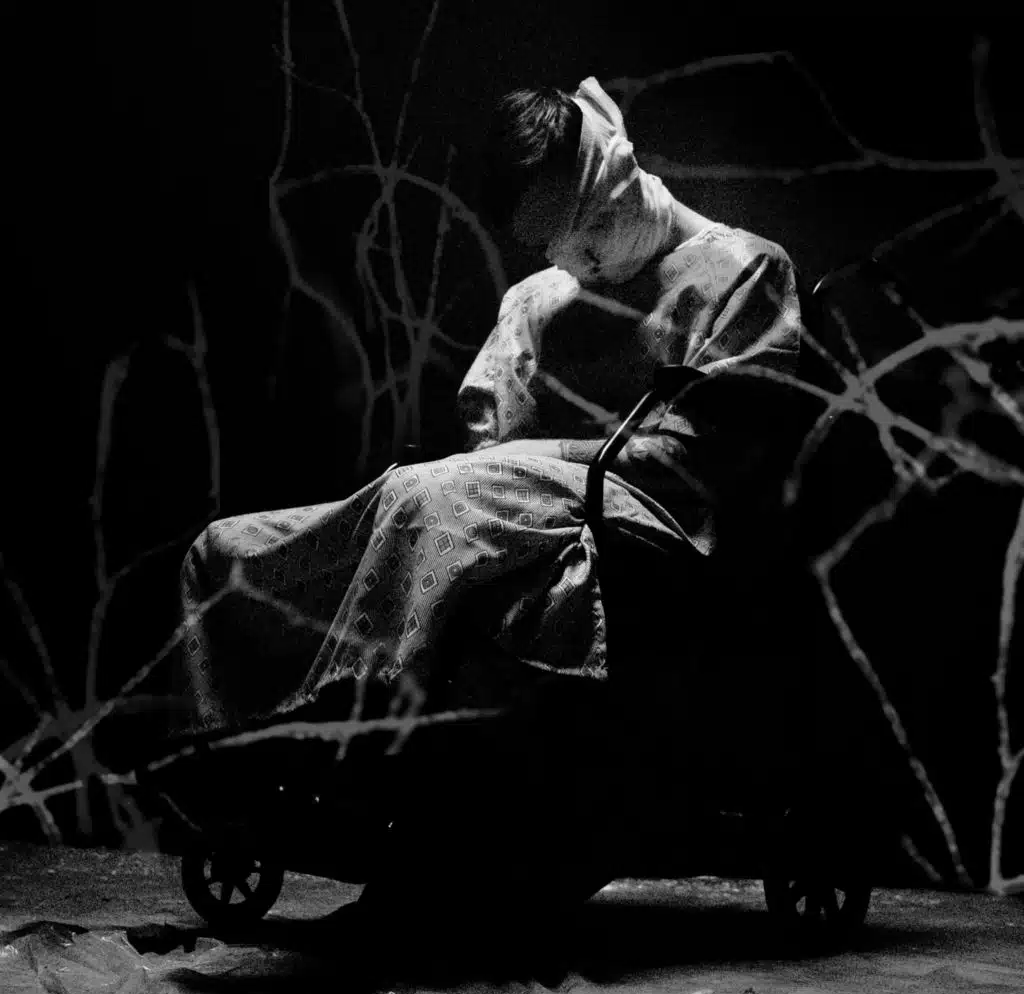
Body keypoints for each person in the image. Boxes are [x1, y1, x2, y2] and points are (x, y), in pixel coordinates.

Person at [171, 78, 804, 935]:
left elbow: (697, 463)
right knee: (226, 549)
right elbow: (483, 453)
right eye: (548, 242)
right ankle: (235, 764)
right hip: (496, 508)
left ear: (615, 173)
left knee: (424, 493)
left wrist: (529, 458)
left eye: (582, 223)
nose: (575, 256)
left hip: (650, 523)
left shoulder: (746, 271)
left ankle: (358, 740)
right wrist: (499, 464)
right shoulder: (535, 303)